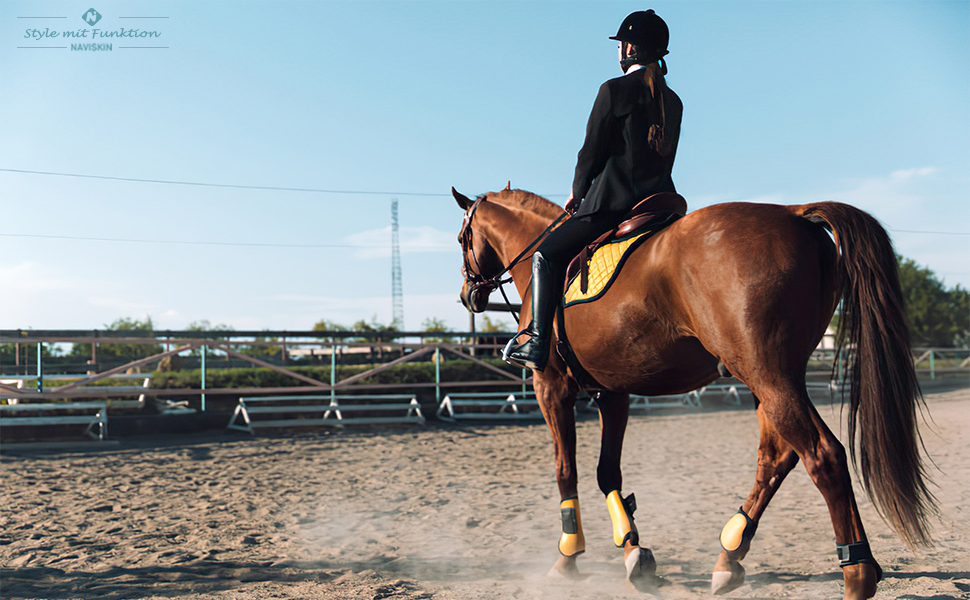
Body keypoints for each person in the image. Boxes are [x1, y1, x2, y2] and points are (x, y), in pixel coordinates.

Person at [503, 9, 683, 372]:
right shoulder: (673, 100)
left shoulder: (613, 90)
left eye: (620, 45)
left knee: (544, 255)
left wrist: (578, 191)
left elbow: (591, 151)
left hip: (614, 204)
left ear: (629, 48)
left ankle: (537, 342)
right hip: (662, 204)